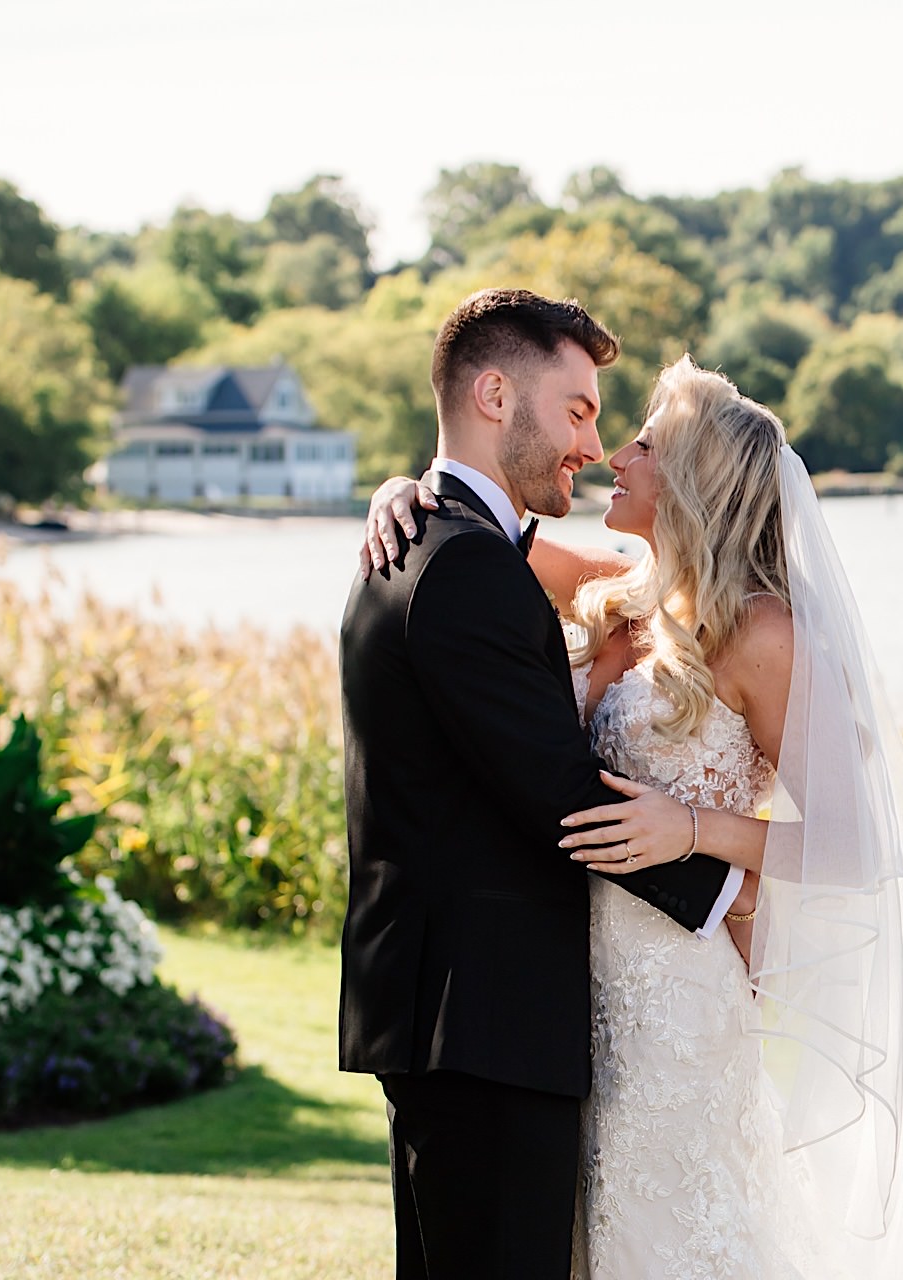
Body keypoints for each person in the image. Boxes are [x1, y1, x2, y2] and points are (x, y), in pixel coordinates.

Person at [359, 354, 903, 1278]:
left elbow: (858, 840)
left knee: (665, 1234)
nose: (611, 455)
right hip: (559, 989)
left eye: (643, 442)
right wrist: (398, 490)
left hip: (677, 998)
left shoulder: (763, 635)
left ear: (698, 477)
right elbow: (462, 526)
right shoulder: (619, 593)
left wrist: (696, 831)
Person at [338, 289, 742, 1279]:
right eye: (576, 409)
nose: (593, 443)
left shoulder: (443, 536)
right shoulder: (460, 559)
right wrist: (735, 889)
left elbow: (633, 569)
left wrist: (403, 479)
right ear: (491, 393)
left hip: (457, 1013)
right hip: (482, 1018)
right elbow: (555, 792)